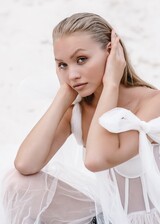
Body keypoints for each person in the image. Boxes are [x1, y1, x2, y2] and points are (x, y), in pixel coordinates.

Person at [2, 12, 160, 224]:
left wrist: (112, 84)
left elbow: (96, 159)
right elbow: (25, 164)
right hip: (110, 219)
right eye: (62, 65)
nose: (72, 74)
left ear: (112, 53)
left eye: (81, 60)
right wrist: (63, 97)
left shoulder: (152, 103)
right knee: (18, 184)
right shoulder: (78, 110)